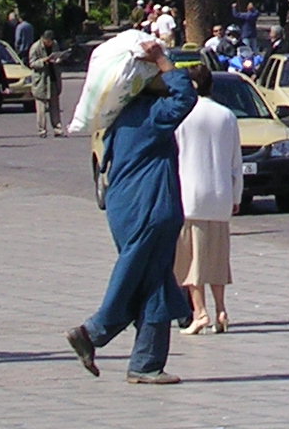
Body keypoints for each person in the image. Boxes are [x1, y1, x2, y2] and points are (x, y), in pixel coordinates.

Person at [66, 37, 196, 385]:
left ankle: (146, 364)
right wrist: (165, 62)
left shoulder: (121, 118)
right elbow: (186, 98)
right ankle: (93, 331)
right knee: (135, 276)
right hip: (148, 207)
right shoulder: (149, 114)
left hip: (132, 207)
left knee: (153, 283)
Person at [173, 61, 241, 336]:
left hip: (190, 195)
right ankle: (221, 310)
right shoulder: (227, 116)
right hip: (221, 194)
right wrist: (236, 195)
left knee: (192, 259)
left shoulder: (182, 115)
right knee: (217, 257)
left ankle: (199, 313)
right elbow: (236, 161)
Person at [29, 32, 66, 137]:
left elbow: (58, 55)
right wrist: (44, 61)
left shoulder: (55, 44)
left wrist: (59, 59)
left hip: (53, 78)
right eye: (48, 42)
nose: (50, 44)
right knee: (41, 108)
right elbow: (32, 63)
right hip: (41, 80)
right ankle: (42, 130)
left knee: (55, 106)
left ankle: (57, 128)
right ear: (43, 39)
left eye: (51, 41)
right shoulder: (35, 47)